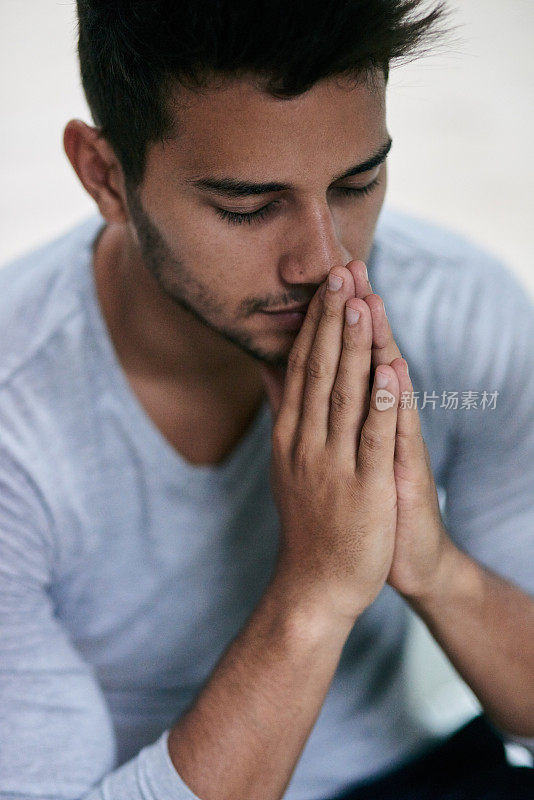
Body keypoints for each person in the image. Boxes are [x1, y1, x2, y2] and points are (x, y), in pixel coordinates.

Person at [0, 1, 533, 798]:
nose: (324, 258)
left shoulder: (459, 311)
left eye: (357, 183)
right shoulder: (19, 416)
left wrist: (433, 568)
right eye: (247, 207)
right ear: (105, 175)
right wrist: (314, 593)